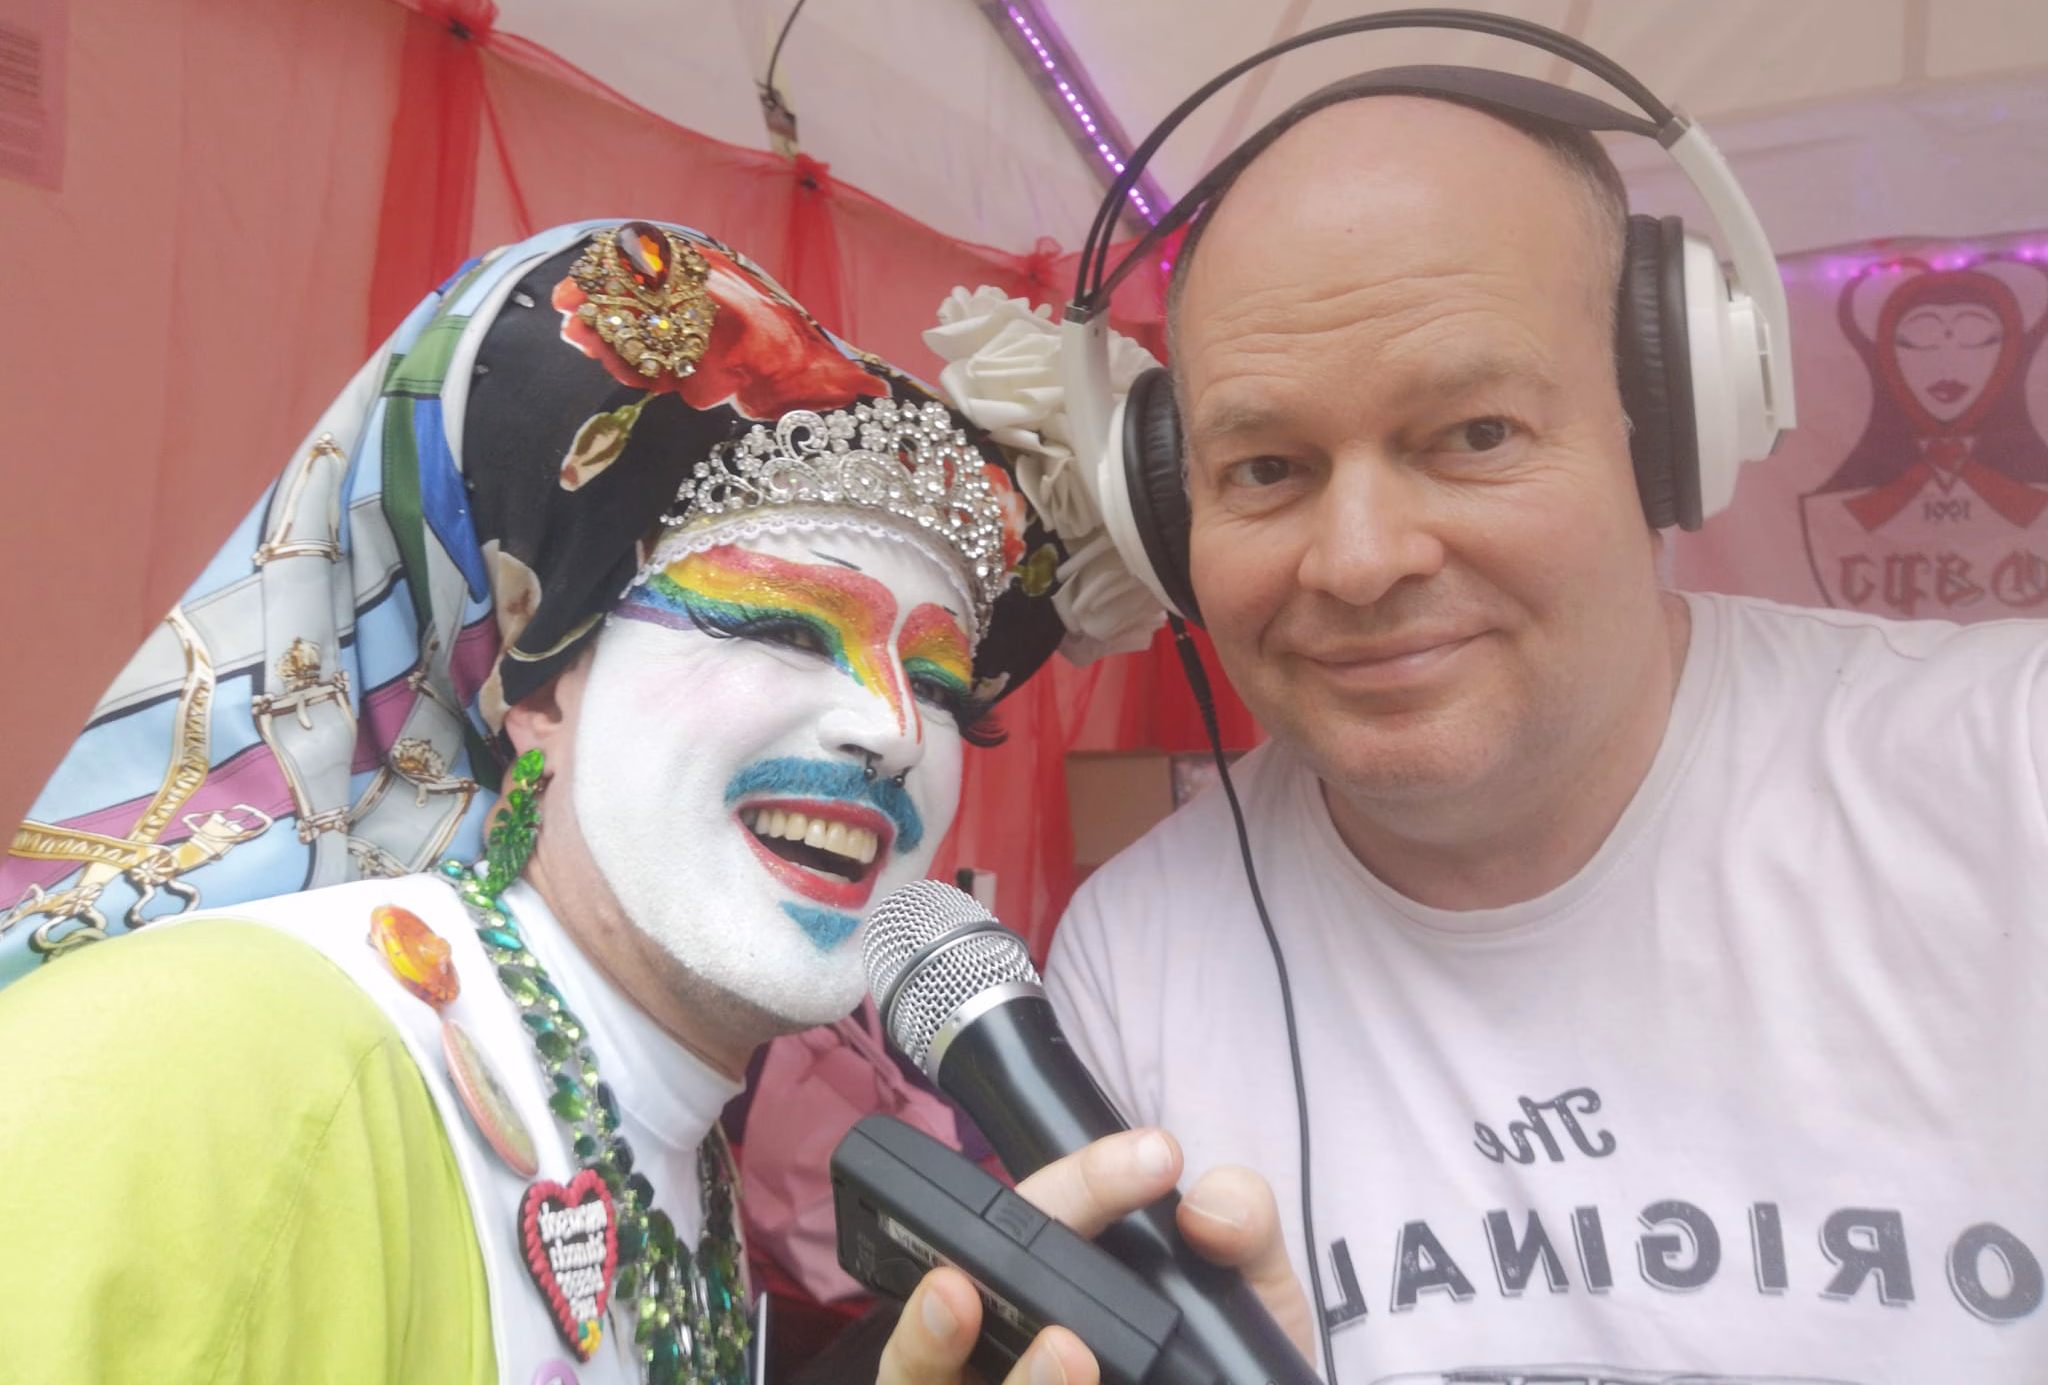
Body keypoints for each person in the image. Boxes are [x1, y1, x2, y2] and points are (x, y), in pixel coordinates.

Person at [891, 88, 2048, 1385]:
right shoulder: (1136, 953)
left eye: (1474, 435)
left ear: (1674, 429)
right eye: (1265, 468)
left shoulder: (2014, 770)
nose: (1360, 560)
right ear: (1163, 514)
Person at [0, 217, 1172, 1384]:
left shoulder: (677, 1143)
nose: (893, 729)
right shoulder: (207, 1064)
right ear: (541, 690)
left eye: (939, 684)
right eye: (777, 627)